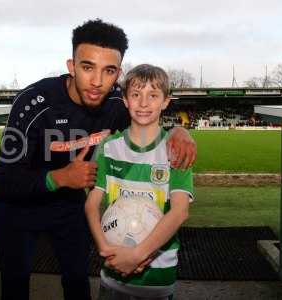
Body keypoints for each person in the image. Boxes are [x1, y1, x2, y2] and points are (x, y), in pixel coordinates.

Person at [0, 19, 196, 300]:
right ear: (71, 66)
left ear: (118, 73)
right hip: (18, 208)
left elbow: (147, 119)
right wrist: (60, 177)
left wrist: (180, 130)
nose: (97, 82)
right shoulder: (33, 102)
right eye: (87, 67)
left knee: (77, 282)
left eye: (108, 71)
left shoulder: (114, 103)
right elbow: (4, 179)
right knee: (15, 285)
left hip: (69, 207)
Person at [85, 64, 194, 300]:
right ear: (125, 100)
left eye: (153, 95)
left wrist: (137, 255)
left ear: (166, 101)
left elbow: (180, 212)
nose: (143, 103)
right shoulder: (108, 147)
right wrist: (104, 248)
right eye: (136, 95)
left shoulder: (176, 149)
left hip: (158, 279)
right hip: (112, 272)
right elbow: (91, 204)